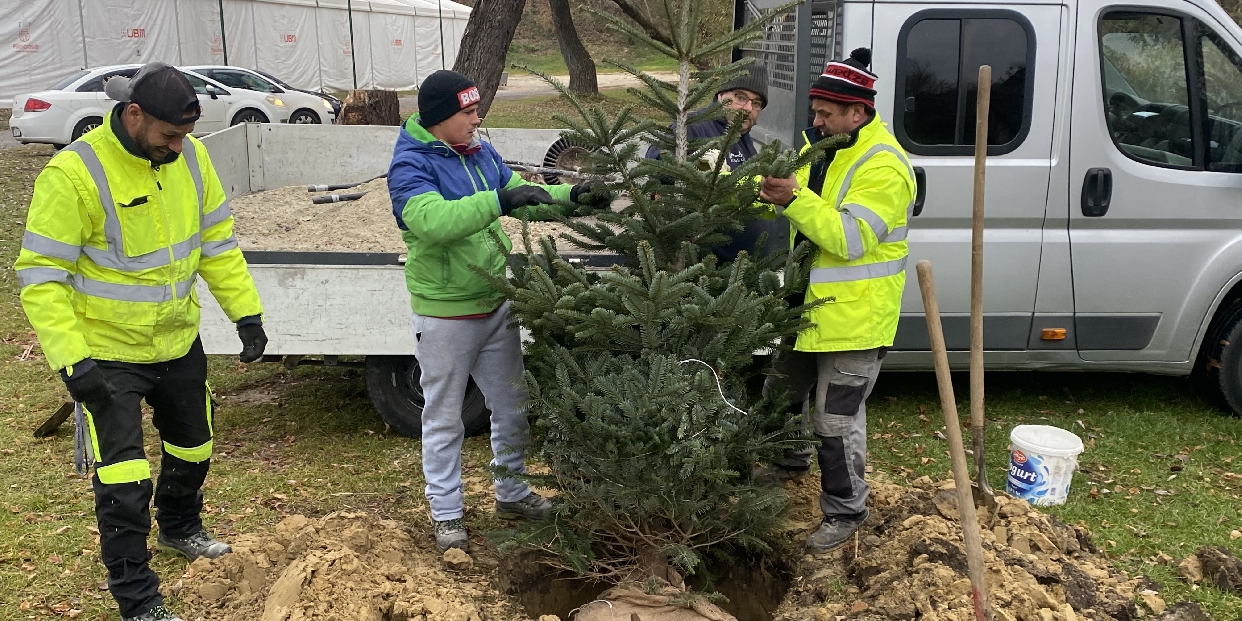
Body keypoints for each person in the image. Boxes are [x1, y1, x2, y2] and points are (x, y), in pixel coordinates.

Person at [14, 62, 267, 621]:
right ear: (133, 114)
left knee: (194, 445)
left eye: (185, 136)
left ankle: (180, 527)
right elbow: (41, 276)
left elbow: (216, 244)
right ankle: (138, 599)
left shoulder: (191, 158)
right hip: (106, 358)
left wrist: (246, 313)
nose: (179, 147)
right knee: (124, 482)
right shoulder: (74, 174)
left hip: (178, 342)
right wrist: (71, 360)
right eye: (168, 136)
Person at [388, 70, 610, 552]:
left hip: (495, 302)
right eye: (468, 112)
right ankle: (447, 515)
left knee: (512, 406)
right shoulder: (410, 166)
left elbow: (524, 197)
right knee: (445, 417)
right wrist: (498, 200)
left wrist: (573, 198)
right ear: (441, 117)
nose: (477, 118)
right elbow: (431, 222)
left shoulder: (479, 153)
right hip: (446, 312)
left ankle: (512, 493)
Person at [759, 48, 916, 553]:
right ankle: (787, 464)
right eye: (815, 108)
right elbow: (775, 187)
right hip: (806, 311)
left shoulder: (884, 165)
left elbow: (849, 238)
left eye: (827, 112)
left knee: (834, 420)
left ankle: (846, 510)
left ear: (859, 112)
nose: (816, 119)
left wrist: (792, 199)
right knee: (780, 394)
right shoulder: (823, 148)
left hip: (855, 322)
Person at [645, 63, 786, 262]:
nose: (747, 108)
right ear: (721, 95)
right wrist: (700, 167)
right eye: (740, 97)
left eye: (756, 103)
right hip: (707, 273)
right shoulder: (693, 127)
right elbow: (656, 161)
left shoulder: (743, 139)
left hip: (746, 272)